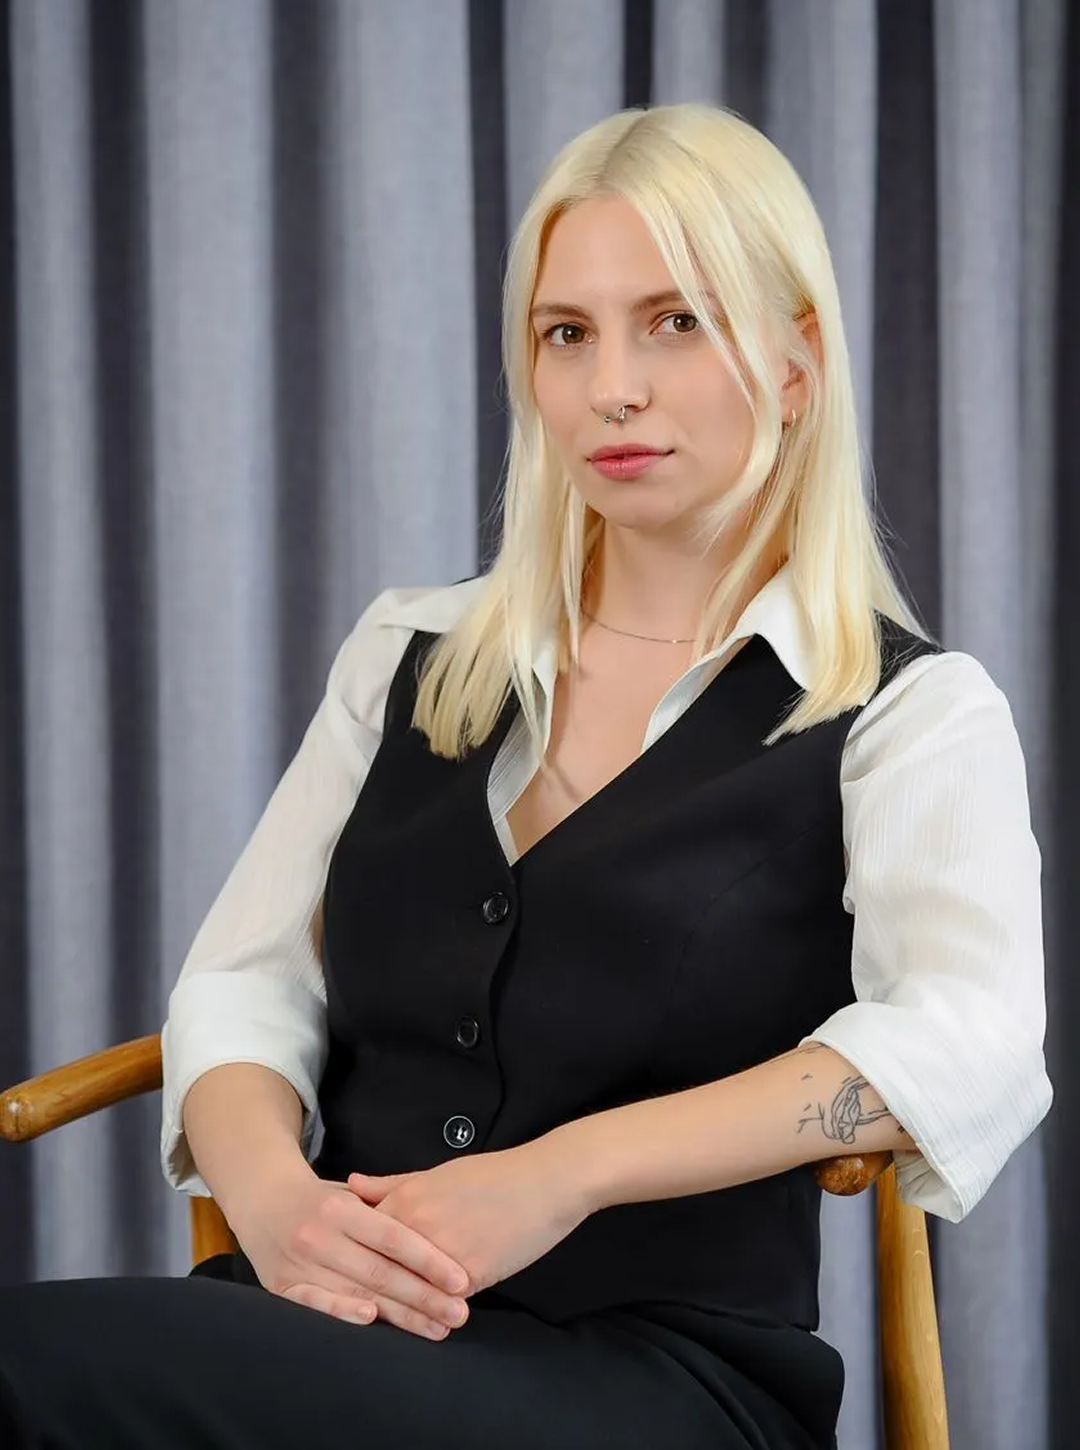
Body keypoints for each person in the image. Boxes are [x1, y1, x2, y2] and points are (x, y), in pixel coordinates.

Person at [0, 101, 1052, 1450]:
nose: (614, 386)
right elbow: (243, 983)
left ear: (796, 364)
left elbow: (969, 1039)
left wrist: (565, 1174)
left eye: (675, 322)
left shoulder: (907, 714)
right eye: (568, 333)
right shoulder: (408, 653)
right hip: (334, 1331)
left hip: (660, 1379)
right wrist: (272, 1201)